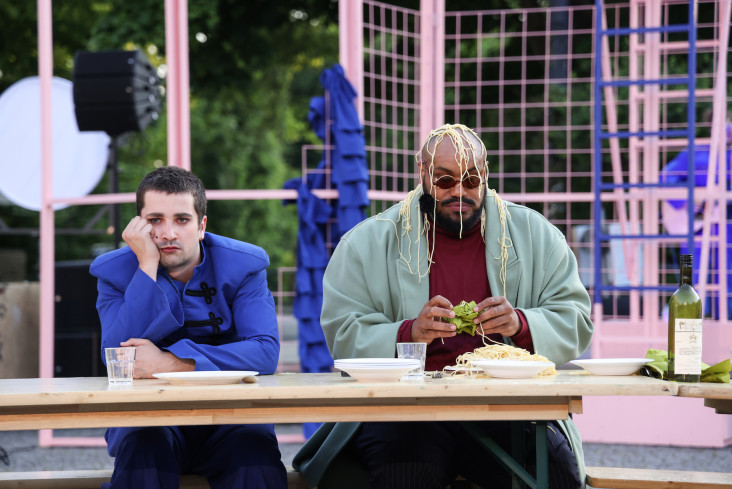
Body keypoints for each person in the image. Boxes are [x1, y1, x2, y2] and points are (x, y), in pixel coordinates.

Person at [293, 124, 593, 488]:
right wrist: (408, 334)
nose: (459, 192)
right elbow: (342, 331)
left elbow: (575, 317)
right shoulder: (368, 241)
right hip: (406, 411)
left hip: (509, 408)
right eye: (445, 180)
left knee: (557, 473)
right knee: (407, 473)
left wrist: (521, 324)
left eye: (470, 180)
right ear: (421, 172)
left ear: (485, 175)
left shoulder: (534, 234)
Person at [90, 166, 288, 489]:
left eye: (181, 220)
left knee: (255, 455)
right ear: (138, 226)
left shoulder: (245, 266)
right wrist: (146, 267)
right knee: (142, 448)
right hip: (148, 417)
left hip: (230, 417)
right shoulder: (113, 273)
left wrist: (174, 364)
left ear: (201, 226)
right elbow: (117, 357)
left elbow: (265, 352)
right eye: (155, 220)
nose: (168, 233)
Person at [661, 109, 732, 319]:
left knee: (727, 275)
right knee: (689, 274)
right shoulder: (696, 153)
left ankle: (724, 322)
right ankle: (686, 319)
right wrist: (693, 200)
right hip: (697, 227)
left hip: (726, 225)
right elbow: (666, 178)